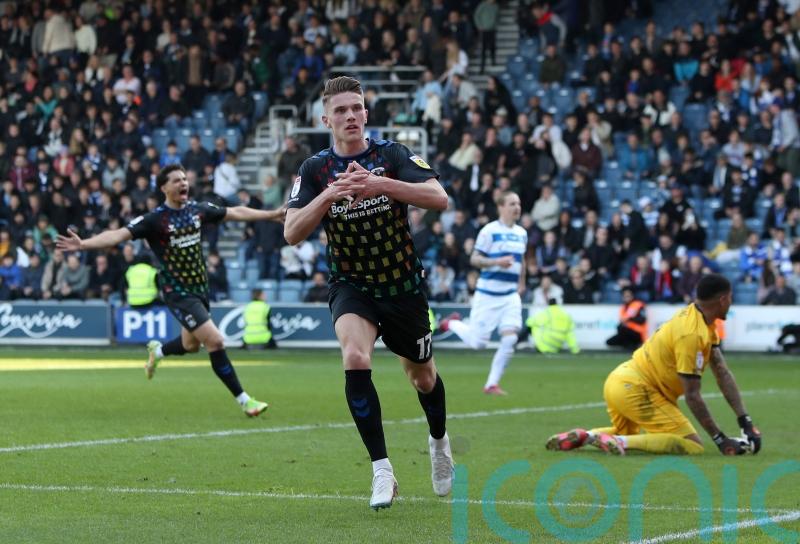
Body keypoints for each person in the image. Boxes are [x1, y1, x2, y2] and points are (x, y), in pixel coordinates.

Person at [283, 76, 453, 510]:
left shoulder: (391, 155)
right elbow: (291, 233)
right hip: (351, 286)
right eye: (341, 110)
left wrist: (381, 185)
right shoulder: (313, 169)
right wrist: (329, 195)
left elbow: (439, 198)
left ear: (365, 112)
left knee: (423, 377)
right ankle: (382, 470)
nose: (351, 116)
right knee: (355, 357)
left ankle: (438, 442)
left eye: (356, 108)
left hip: (402, 287)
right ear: (326, 119)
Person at [56, 164, 284, 417]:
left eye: (185, 179)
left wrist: (272, 214)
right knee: (215, 340)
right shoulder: (155, 220)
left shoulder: (198, 211)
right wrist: (84, 244)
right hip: (178, 292)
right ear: (164, 188)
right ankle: (245, 401)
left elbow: (235, 212)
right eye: (176, 180)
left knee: (189, 345)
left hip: (199, 289)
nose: (183, 183)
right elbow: (118, 235)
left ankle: (159, 351)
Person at [547, 274, 762, 456]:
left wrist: (745, 421)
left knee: (630, 433)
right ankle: (621, 443)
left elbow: (722, 372)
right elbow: (692, 396)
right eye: (731, 298)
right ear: (723, 300)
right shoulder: (692, 335)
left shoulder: (700, 319)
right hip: (639, 390)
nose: (732, 302)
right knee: (693, 445)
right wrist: (720, 439)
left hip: (619, 380)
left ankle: (588, 436)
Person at [439, 191, 526, 396]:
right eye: (512, 203)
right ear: (501, 207)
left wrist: (521, 283)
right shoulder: (489, 231)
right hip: (488, 295)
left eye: (519, 203)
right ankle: (451, 323)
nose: (517, 207)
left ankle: (491, 384)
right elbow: (475, 259)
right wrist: (497, 262)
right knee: (478, 343)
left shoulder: (522, 233)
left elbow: (521, 262)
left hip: (510, 296)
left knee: (510, 338)